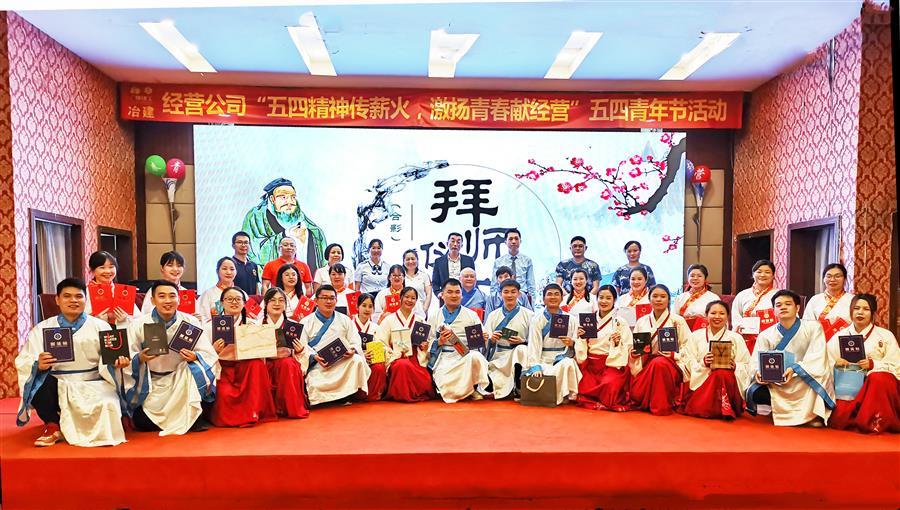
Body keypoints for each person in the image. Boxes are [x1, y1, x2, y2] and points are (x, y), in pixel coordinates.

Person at [16, 278, 128, 447]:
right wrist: (38, 364)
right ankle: (52, 425)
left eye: (79, 296)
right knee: (37, 379)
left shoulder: (101, 326)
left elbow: (111, 359)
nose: (73, 300)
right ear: (57, 299)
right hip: (57, 384)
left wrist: (116, 363)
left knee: (107, 404)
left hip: (94, 383)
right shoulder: (42, 328)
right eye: (67, 296)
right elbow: (25, 359)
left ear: (86, 299)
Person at [127, 281, 218, 435]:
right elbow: (129, 355)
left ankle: (192, 416)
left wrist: (195, 356)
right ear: (153, 300)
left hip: (181, 379)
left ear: (179, 299)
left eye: (172, 296)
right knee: (143, 421)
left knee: (193, 369)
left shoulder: (191, 321)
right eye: (162, 296)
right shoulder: (138, 324)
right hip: (151, 381)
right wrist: (140, 358)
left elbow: (208, 353)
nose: (168, 301)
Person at [746, 289, 834, 427]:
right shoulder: (766, 335)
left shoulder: (813, 328)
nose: (783, 307)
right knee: (756, 391)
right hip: (776, 381)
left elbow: (817, 357)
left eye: (788, 304)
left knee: (815, 380)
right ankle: (779, 410)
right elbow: (756, 362)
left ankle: (810, 416)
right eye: (778, 305)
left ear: (797, 308)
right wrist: (758, 373)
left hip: (802, 378)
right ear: (774, 311)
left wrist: (794, 369)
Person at [827, 294, 899, 434]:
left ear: (873, 313)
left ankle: (876, 422)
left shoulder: (885, 335)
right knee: (839, 419)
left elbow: (897, 365)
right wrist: (836, 363)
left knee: (878, 378)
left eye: (866, 309)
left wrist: (873, 365)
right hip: (849, 386)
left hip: (877, 388)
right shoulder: (839, 336)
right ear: (851, 311)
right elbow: (826, 361)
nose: (860, 312)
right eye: (856, 308)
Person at [208, 287, 277, 427]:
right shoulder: (210, 326)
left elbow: (261, 351)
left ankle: (253, 413)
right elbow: (203, 352)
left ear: (244, 303)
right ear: (222, 302)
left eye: (238, 299)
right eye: (229, 299)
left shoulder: (253, 325)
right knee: (225, 393)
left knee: (257, 364)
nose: (234, 302)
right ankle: (232, 417)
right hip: (222, 368)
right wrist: (213, 351)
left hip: (246, 367)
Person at [297, 285, 371, 405]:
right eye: (324, 298)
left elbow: (355, 341)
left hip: (341, 362)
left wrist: (352, 350)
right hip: (320, 365)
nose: (329, 301)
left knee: (357, 359)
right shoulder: (306, 322)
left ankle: (347, 394)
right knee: (315, 381)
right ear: (316, 301)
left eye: (332, 298)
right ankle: (325, 399)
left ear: (336, 300)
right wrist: (314, 357)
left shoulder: (345, 320)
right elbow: (302, 347)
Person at [681, 300, 751, 420]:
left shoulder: (736, 338)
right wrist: (703, 362)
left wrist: (735, 366)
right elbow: (687, 360)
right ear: (706, 315)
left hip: (728, 380)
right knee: (719, 374)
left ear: (727, 316)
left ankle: (726, 406)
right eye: (713, 313)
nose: (717, 317)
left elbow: (747, 364)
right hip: (702, 381)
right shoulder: (695, 336)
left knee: (722, 373)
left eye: (722, 313)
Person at [629, 284, 691, 416]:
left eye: (663, 296)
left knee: (659, 363)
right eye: (655, 296)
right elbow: (634, 345)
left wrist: (674, 355)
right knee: (637, 390)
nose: (658, 299)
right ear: (649, 299)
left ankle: (660, 405)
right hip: (646, 362)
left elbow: (689, 346)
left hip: (671, 363)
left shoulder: (678, 321)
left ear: (668, 299)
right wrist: (634, 353)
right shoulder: (642, 321)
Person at [242, 177, 327, 270]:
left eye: (293, 197)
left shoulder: (298, 215)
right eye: (283, 197)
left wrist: (306, 235)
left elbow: (317, 235)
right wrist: (287, 234)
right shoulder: (256, 216)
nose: (290, 202)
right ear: (272, 199)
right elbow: (253, 250)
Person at [426, 279, 490, 402]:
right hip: (444, 356)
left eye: (457, 292)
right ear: (442, 295)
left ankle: (472, 388)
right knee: (446, 383)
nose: (454, 295)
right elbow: (427, 340)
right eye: (449, 292)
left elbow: (479, 340)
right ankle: (463, 391)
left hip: (464, 355)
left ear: (462, 294)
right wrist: (439, 342)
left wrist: (484, 339)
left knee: (476, 356)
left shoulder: (471, 315)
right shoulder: (435, 315)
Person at [575, 285, 633, 412]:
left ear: (614, 300)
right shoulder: (588, 320)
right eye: (601, 297)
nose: (604, 301)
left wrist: (618, 343)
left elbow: (628, 345)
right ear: (597, 299)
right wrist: (581, 337)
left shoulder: (620, 322)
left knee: (609, 384)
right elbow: (581, 346)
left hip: (611, 363)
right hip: (590, 365)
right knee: (582, 384)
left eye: (608, 298)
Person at [256, 288, 310, 420]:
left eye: (281, 300)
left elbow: (304, 352)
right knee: (256, 366)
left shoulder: (294, 326)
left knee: (288, 363)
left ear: (285, 305)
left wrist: (299, 350)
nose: (277, 304)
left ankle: (289, 407)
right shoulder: (257, 326)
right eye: (272, 300)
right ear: (266, 304)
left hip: (285, 364)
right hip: (265, 362)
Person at [524, 284, 581, 405]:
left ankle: (565, 394)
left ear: (562, 298)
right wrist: (536, 366)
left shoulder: (571, 319)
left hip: (562, 357)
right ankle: (553, 395)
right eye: (549, 294)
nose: (553, 297)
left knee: (569, 363)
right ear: (544, 299)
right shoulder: (537, 319)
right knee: (541, 371)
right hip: (543, 359)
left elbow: (577, 341)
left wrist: (572, 343)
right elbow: (533, 344)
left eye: (556, 294)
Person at [376, 287, 435, 402]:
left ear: (416, 301)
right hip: (396, 356)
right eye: (407, 297)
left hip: (416, 357)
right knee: (402, 365)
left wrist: (425, 346)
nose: (409, 300)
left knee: (426, 380)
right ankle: (401, 394)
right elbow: (380, 341)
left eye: (413, 298)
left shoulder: (420, 320)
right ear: (400, 298)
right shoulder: (389, 319)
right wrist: (393, 353)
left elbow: (429, 340)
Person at [483, 279, 533, 400]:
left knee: (522, 350)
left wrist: (523, 341)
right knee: (493, 383)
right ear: (500, 294)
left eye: (513, 292)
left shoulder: (529, 315)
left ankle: (519, 386)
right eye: (506, 292)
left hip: (518, 354)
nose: (509, 295)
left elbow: (534, 340)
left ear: (519, 294)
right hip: (498, 356)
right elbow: (486, 338)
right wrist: (492, 340)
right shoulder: (493, 315)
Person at [732, 260, 778, 354]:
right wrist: (741, 329)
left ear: (773, 276)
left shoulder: (779, 295)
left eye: (767, 272)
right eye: (759, 272)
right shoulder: (742, 295)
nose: (763, 275)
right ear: (753, 274)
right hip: (746, 340)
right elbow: (736, 317)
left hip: (771, 340)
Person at [802, 263, 853, 341]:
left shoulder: (853, 300)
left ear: (845, 279)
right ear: (823, 279)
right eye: (829, 276)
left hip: (844, 341)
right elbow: (807, 324)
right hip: (819, 342)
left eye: (837, 276)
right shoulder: (815, 300)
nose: (832, 279)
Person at [353, 293, 386, 401]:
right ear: (357, 307)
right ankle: (355, 394)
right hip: (354, 360)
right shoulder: (349, 325)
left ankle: (373, 395)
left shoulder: (376, 327)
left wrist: (374, 355)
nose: (367, 309)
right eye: (364, 305)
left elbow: (380, 346)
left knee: (379, 367)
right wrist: (362, 356)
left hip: (371, 360)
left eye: (370, 306)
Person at [85, 250, 131, 328]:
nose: (108, 271)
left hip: (121, 332)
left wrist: (125, 319)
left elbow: (138, 319)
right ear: (92, 270)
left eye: (111, 267)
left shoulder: (123, 291)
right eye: (102, 267)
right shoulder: (85, 293)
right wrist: (95, 320)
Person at [490, 228, 536, 304]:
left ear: (520, 241)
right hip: (503, 298)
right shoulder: (498, 261)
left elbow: (531, 285)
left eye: (516, 239)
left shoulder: (527, 260)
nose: (513, 241)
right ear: (505, 242)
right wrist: (495, 302)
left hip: (522, 298)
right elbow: (494, 285)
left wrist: (531, 303)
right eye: (510, 239)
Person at [139, 251, 189, 316]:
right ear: (162, 268)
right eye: (170, 265)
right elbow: (146, 316)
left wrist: (196, 318)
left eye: (179, 266)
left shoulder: (187, 293)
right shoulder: (153, 291)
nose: (175, 269)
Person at [673, 264, 720, 331]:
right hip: (683, 331)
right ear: (688, 278)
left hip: (705, 332)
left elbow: (718, 319)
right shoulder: (680, 298)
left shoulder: (713, 298)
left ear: (705, 279)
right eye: (692, 276)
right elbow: (674, 318)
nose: (695, 278)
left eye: (699, 276)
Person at [197, 257, 243, 323]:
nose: (228, 272)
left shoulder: (242, 294)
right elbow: (202, 319)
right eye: (224, 269)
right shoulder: (207, 294)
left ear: (236, 272)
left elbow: (253, 317)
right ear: (217, 271)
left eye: (232, 269)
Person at [431, 232, 475, 298]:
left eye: (458, 242)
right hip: (446, 297)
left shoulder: (469, 260)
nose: (455, 244)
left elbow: (473, 280)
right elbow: (435, 282)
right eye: (452, 241)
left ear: (462, 245)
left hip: (465, 297)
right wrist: (438, 293)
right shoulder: (439, 261)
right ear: (447, 243)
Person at [403, 249, 432, 316]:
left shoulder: (424, 275)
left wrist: (424, 310)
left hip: (420, 313)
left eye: (413, 259)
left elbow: (429, 294)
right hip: (404, 313)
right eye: (407, 259)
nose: (410, 261)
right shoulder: (401, 276)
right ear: (403, 261)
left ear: (417, 260)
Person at [231, 231, 260, 296]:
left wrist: (258, 300)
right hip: (236, 300)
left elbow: (256, 286)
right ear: (233, 245)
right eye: (239, 242)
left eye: (246, 242)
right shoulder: (230, 264)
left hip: (252, 302)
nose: (243, 245)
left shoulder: (253, 265)